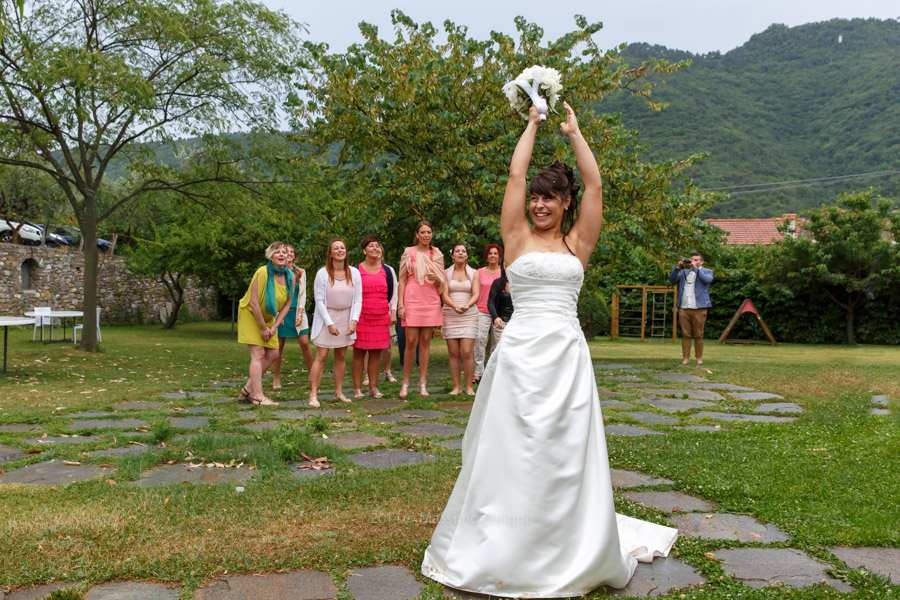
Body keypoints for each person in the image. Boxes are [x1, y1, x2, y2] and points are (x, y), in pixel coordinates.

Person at [421, 102, 677, 596]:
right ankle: (502, 539)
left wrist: (576, 132)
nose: (538, 205)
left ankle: (566, 540)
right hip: (518, 354)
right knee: (512, 447)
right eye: (535, 198)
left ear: (565, 205)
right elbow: (515, 176)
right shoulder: (514, 239)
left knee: (563, 451)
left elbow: (596, 185)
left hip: (566, 357)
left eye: (549, 199)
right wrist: (532, 126)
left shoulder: (578, 244)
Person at [236, 242, 292, 406]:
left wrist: (273, 326)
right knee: (258, 354)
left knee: (273, 354)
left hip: (269, 318)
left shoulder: (291, 276)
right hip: (250, 314)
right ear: (270, 256)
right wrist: (262, 328)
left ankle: (248, 388)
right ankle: (258, 396)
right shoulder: (262, 272)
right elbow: (254, 303)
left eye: (284, 252)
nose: (281, 255)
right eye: (277, 252)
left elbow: (288, 303)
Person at [308, 239, 362, 407]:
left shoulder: (354, 273)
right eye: (335, 248)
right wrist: (330, 323)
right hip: (326, 317)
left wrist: (354, 321)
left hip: (346, 317)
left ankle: (338, 392)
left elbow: (358, 299)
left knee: (340, 356)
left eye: (342, 248)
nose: (340, 250)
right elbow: (319, 300)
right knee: (322, 356)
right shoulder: (322, 273)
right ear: (330, 253)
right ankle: (313, 394)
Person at [397, 221, 445, 399]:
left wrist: (437, 278)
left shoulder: (436, 253)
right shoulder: (408, 252)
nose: (426, 235)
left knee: (425, 341)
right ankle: (406, 382)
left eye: (429, 232)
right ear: (417, 234)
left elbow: (442, 281)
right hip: (412, 297)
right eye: (423, 232)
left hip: (431, 299)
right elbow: (402, 279)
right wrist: (400, 304)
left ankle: (422, 382)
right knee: (411, 341)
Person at [351, 235, 395, 399]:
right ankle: (357, 389)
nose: (375, 248)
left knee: (376, 353)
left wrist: (392, 312)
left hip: (380, 315)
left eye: (377, 246)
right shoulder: (355, 270)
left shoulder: (387, 270)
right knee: (359, 352)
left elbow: (391, 293)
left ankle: (373, 387)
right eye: (371, 246)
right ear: (364, 250)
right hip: (362, 315)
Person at [440, 243, 480, 395]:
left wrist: (466, 305)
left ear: (467, 255)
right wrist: (454, 306)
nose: (461, 253)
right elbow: (444, 294)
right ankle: (457, 387)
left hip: (469, 314)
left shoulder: (474, 273)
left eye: (464, 251)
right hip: (450, 313)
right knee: (453, 353)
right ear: (452, 255)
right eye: (457, 251)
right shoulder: (445, 273)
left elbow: (476, 294)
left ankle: (469, 386)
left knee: (467, 351)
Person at [273, 245, 313, 388]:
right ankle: (276, 378)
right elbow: (274, 294)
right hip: (282, 314)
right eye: (285, 252)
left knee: (305, 343)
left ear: (294, 255)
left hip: (297, 312)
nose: (288, 254)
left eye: (291, 252)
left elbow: (302, 294)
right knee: (278, 346)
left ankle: (312, 375)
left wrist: (301, 314)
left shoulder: (300, 272)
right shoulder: (276, 273)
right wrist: (277, 313)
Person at [669, 253, 714, 366]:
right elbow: (672, 279)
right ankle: (685, 358)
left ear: (701, 262)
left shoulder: (707, 271)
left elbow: (707, 280)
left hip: (699, 308)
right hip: (684, 307)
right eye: (692, 260)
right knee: (686, 335)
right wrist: (678, 267)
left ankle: (699, 359)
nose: (692, 261)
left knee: (698, 334)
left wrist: (697, 270)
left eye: (696, 260)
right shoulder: (685, 272)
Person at [473, 244, 502, 385]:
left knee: (497, 342)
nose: (493, 256)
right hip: (482, 310)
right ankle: (478, 373)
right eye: (490, 253)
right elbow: (476, 291)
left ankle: (493, 371)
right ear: (486, 256)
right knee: (479, 339)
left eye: (495, 253)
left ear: (499, 256)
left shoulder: (504, 273)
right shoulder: (479, 272)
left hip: (498, 312)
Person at [486, 265, 513, 349]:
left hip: (516, 322)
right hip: (501, 322)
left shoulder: (521, 284)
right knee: (500, 349)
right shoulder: (497, 283)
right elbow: (490, 302)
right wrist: (496, 317)